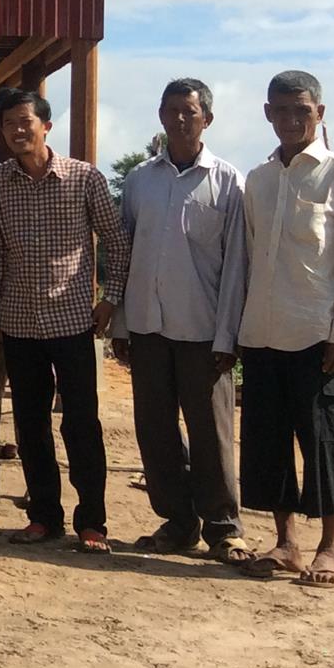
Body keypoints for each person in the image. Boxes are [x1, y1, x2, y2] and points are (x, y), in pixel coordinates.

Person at [237, 70, 334, 589]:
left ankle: (331, 547)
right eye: (282, 110)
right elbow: (249, 257)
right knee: (269, 441)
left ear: (320, 113)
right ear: (267, 114)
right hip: (264, 332)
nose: (292, 119)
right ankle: (286, 543)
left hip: (321, 336)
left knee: (326, 442)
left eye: (302, 110)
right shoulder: (258, 179)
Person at [112, 78, 250, 562]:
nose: (179, 119)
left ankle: (224, 528)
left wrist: (228, 336)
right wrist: (122, 324)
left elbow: (237, 265)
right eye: (171, 110)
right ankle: (177, 521)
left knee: (210, 431)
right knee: (155, 430)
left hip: (203, 331)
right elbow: (124, 253)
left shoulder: (228, 182)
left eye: (189, 111)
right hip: (147, 326)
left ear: (206, 119)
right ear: (161, 115)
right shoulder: (140, 180)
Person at [0, 89, 130, 552]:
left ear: (46, 126)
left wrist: (111, 299)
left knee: (81, 424)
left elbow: (116, 241)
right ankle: (44, 516)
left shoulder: (83, 178)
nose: (17, 130)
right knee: (30, 425)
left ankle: (92, 522)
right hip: (19, 323)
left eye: (25, 121)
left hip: (73, 323)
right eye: (9, 123)